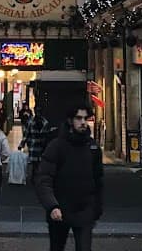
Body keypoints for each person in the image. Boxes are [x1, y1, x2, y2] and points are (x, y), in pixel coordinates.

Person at [35, 103, 104, 251]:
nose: (83, 122)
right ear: (70, 120)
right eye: (79, 118)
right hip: (60, 209)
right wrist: (52, 205)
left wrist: (96, 208)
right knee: (57, 247)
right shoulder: (57, 146)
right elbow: (44, 178)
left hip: (85, 210)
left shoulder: (93, 148)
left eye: (86, 118)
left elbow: (98, 180)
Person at [19, 105, 51, 183]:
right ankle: (37, 177)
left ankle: (35, 177)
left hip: (34, 145)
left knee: (35, 164)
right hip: (40, 145)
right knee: (38, 163)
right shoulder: (44, 122)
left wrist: (22, 144)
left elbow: (26, 134)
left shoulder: (31, 121)